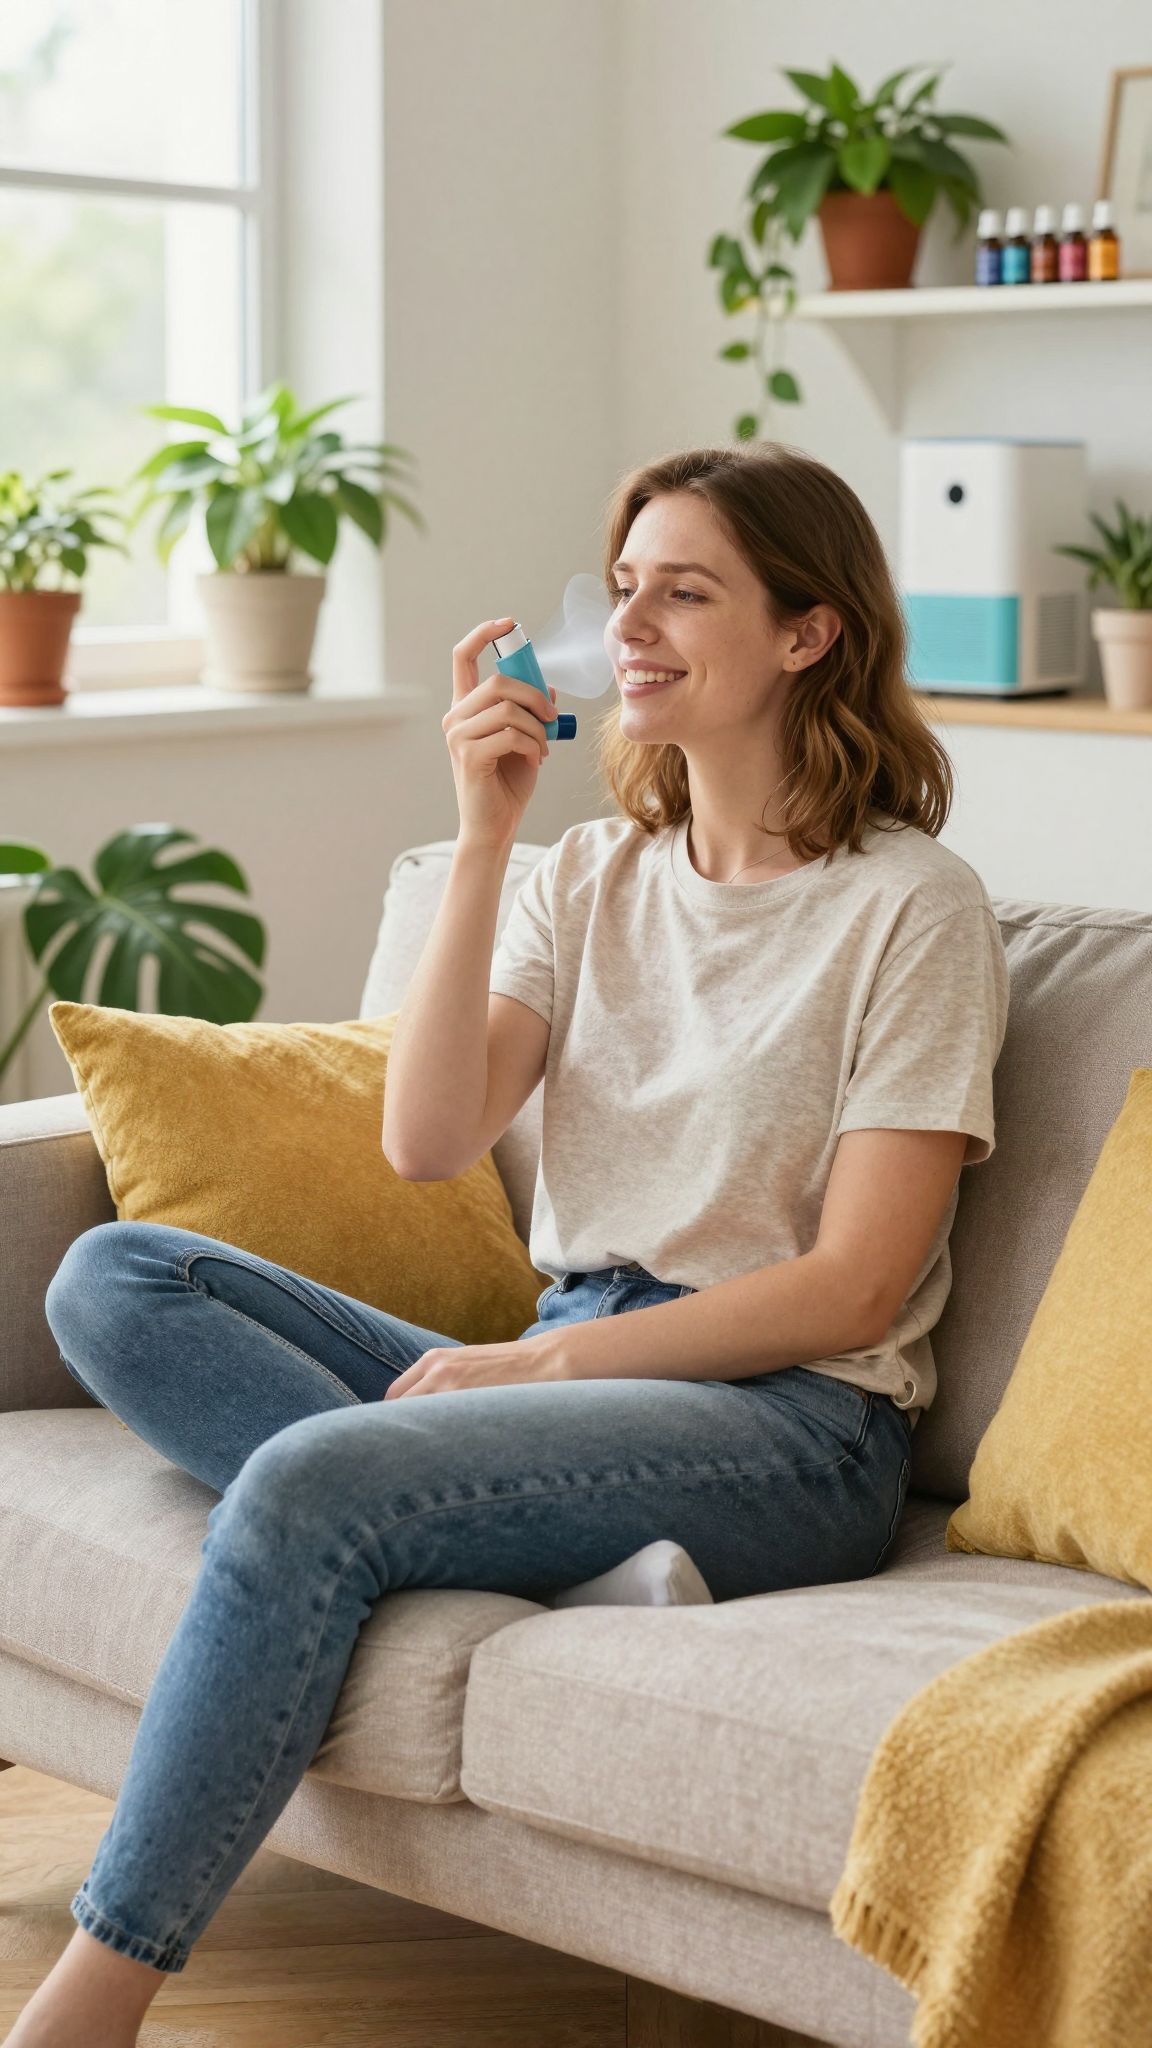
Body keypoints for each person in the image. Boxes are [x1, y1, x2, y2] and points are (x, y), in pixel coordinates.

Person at [6, 441, 1009, 2046]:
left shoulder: (912, 910)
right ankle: (580, 1563)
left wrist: (541, 1364)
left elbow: (854, 1287)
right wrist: (484, 837)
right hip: (572, 1359)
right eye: (624, 589)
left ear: (809, 633)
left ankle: (95, 1998)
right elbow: (424, 1142)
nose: (634, 627)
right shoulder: (591, 872)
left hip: (789, 1420)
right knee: (116, 1278)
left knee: (314, 1480)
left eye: (688, 592)